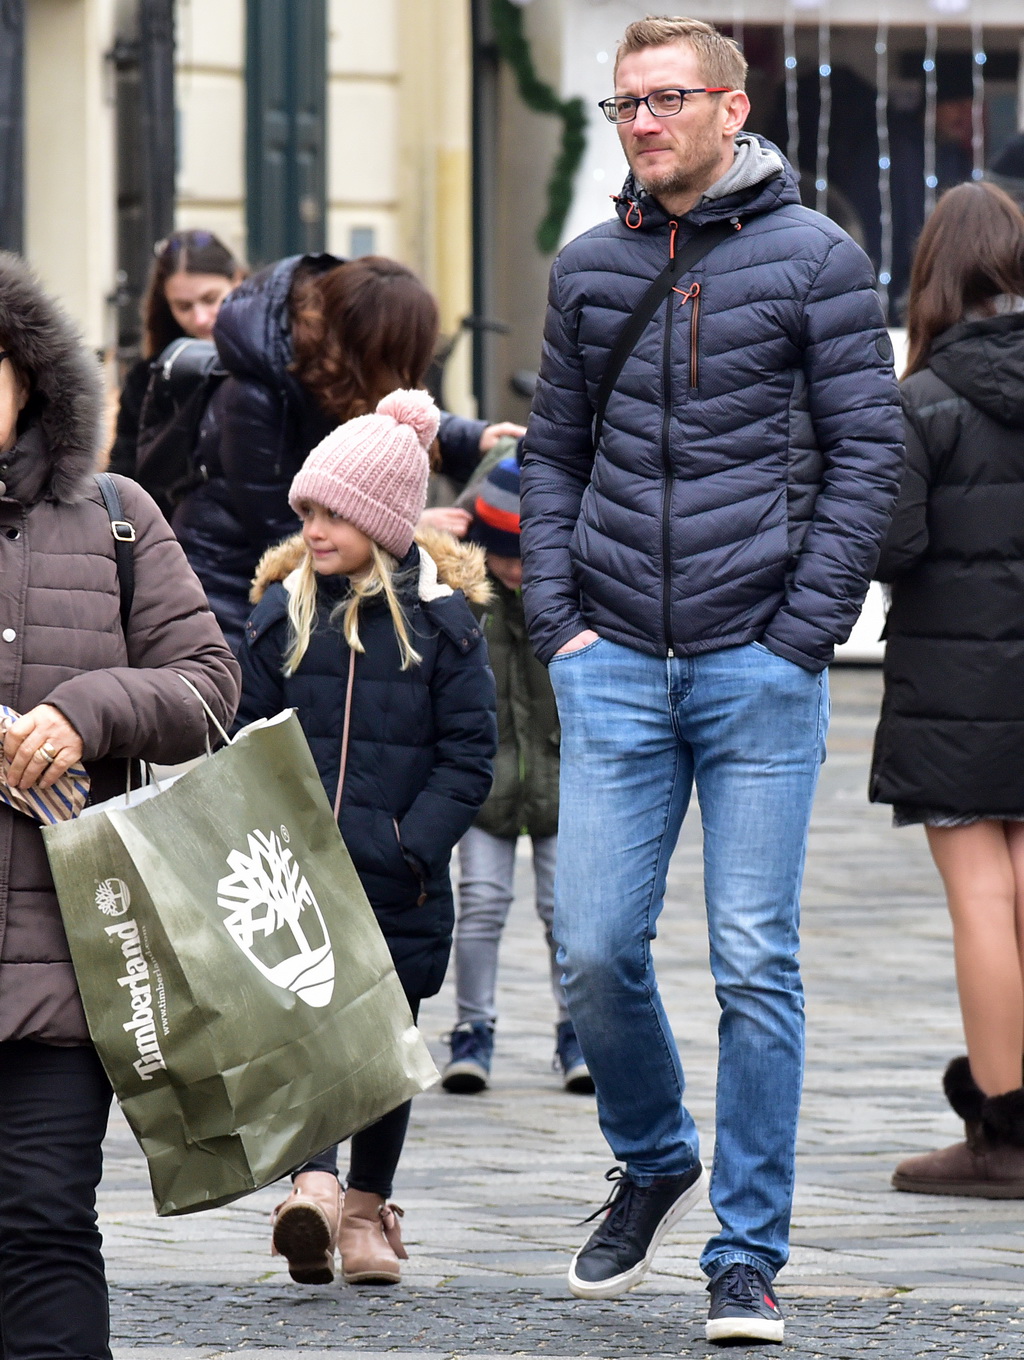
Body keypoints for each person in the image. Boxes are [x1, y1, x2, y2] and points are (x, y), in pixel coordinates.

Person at [519, 16, 904, 1344]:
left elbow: (867, 455)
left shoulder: (820, 261)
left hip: (760, 664)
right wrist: (557, 619)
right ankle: (655, 1151)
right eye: (627, 103)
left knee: (755, 960)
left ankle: (746, 1254)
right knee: (596, 950)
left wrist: (806, 628)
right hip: (611, 658)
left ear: (733, 110)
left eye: (666, 98)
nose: (641, 120)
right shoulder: (586, 270)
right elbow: (551, 452)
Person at [0, 252, 241, 1360]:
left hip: (69, 956)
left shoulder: (117, 515)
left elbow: (207, 687)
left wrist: (87, 710)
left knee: (45, 1222)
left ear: (30, 377)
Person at [235, 388, 496, 1287]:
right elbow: (244, 738)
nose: (312, 527)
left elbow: (470, 758)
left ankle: (363, 1209)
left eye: (333, 512)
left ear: (382, 520)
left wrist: (408, 844)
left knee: (387, 1047)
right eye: (306, 509)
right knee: (301, 1031)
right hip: (295, 877)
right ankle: (310, 1188)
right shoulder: (279, 618)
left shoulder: (445, 629)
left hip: (397, 880)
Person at [870, 182, 1024, 1198]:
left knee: (981, 899)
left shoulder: (917, 402)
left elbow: (892, 542)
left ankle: (1004, 1137)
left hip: (952, 680)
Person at [179, 252, 522, 651]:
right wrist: (403, 527)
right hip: (229, 585)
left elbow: (384, 408)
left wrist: (473, 437)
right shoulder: (255, 397)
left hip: (300, 590)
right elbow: (284, 531)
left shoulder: (336, 362)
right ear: (381, 349)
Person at [441, 454, 592, 1097]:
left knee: (567, 911)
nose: (517, 569)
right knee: (479, 903)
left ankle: (577, 1031)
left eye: (529, 555)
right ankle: (472, 1030)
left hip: (565, 779)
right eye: (505, 554)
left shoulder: (577, 593)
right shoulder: (465, 594)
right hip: (483, 782)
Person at [108, 229, 244, 478]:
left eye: (211, 299)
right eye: (183, 306)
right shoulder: (147, 379)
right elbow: (125, 475)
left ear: (237, 281)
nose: (200, 318)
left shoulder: (269, 362)